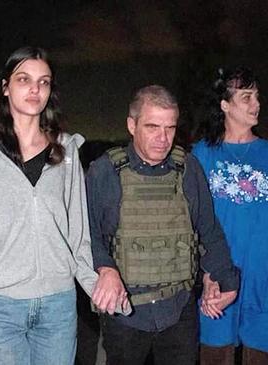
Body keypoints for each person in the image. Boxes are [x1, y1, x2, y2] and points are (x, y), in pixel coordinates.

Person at [0, 46, 125, 365]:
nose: (35, 89)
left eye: (44, 81)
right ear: (6, 87)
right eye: (24, 79)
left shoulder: (65, 151)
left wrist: (97, 283)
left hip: (57, 306)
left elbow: (77, 234)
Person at [87, 84, 240, 365]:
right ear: (132, 125)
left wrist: (226, 280)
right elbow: (87, 236)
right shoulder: (104, 171)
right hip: (126, 315)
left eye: (170, 128)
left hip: (178, 311)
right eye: (153, 127)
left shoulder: (188, 168)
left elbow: (208, 230)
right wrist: (104, 267)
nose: (163, 138)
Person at [192, 66, 268, 365]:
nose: (256, 104)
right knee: (215, 352)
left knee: (262, 353)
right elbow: (193, 220)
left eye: (257, 97)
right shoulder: (202, 154)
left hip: (265, 272)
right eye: (246, 97)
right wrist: (205, 274)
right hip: (219, 272)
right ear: (225, 105)